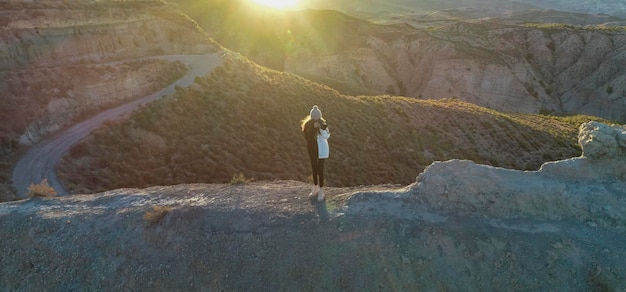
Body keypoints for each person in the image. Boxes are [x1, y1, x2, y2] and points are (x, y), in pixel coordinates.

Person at [301, 105, 330, 202]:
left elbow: (327, 136)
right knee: (314, 168)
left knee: (320, 169)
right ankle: (316, 186)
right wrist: (313, 128)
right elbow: (307, 137)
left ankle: (321, 190)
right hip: (312, 149)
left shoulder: (323, 123)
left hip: (321, 149)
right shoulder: (307, 125)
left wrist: (321, 128)